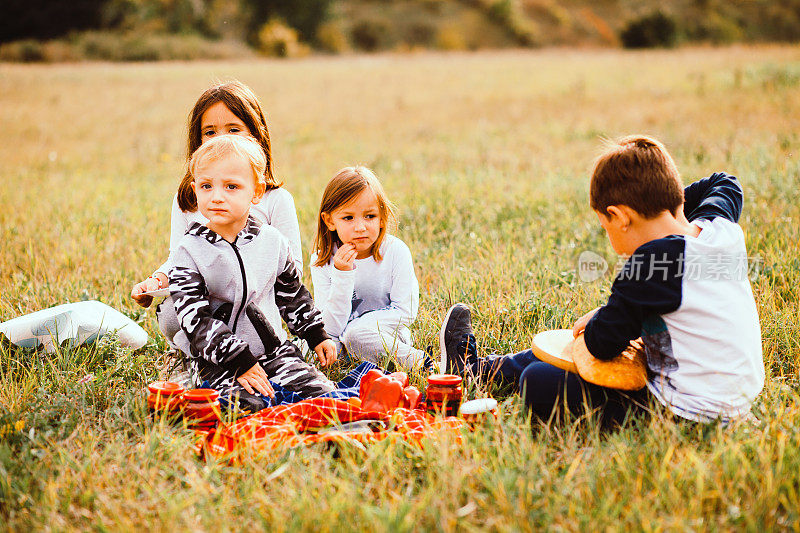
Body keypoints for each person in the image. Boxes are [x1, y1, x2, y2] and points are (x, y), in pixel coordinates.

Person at [441, 135, 764, 426]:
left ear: (620, 217)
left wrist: (602, 315)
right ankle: (478, 370)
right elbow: (724, 183)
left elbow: (600, 343)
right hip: (736, 399)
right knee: (563, 349)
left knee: (539, 380)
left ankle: (478, 371)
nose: (607, 233)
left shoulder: (649, 264)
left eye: (604, 225)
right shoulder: (720, 228)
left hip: (687, 412)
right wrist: (664, 204)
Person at [130, 80, 303, 350]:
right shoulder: (188, 201)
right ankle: (196, 354)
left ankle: (243, 352)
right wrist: (159, 279)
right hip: (202, 304)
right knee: (173, 314)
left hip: (253, 306)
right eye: (210, 132)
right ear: (198, 141)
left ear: (256, 135)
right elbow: (179, 259)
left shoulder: (275, 200)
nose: (222, 139)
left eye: (234, 129)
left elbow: (292, 271)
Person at [168, 134, 336, 408]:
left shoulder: (272, 241)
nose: (217, 197)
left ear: (256, 191)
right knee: (244, 406)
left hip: (272, 351)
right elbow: (195, 320)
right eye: (206, 186)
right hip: (219, 359)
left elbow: (292, 295)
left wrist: (315, 333)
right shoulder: (189, 252)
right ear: (194, 188)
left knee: (321, 394)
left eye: (231, 186)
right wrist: (237, 360)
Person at [310, 166, 434, 372]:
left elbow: (406, 310)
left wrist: (357, 328)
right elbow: (330, 328)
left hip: (388, 334)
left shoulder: (395, 251)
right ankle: (359, 364)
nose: (360, 227)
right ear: (329, 220)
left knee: (356, 336)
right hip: (340, 338)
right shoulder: (322, 259)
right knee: (310, 347)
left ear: (382, 217)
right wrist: (342, 274)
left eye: (369, 216)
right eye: (348, 218)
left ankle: (423, 363)